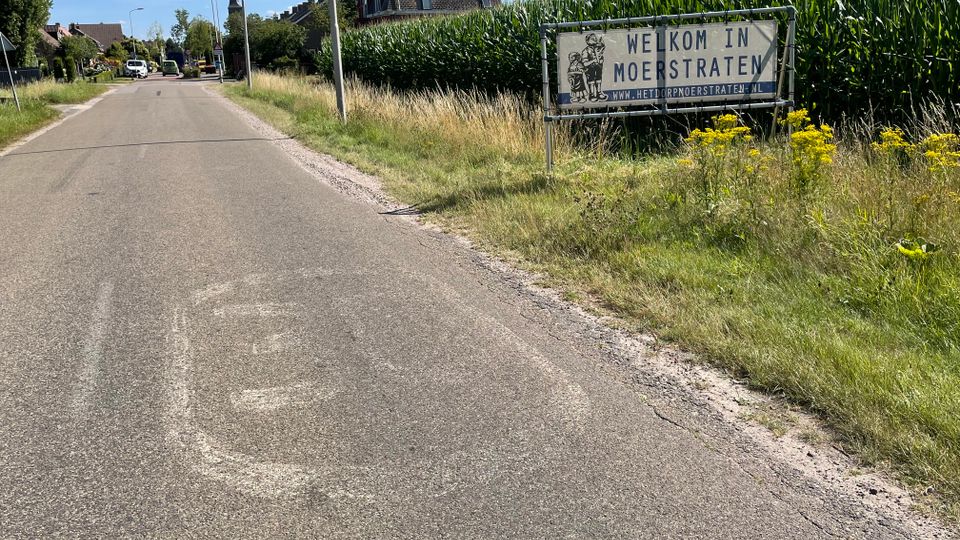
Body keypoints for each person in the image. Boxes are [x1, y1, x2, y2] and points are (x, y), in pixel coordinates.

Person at [582, 33, 607, 102]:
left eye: (595, 38)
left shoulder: (598, 49)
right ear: (588, 41)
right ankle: (592, 94)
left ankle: (599, 93)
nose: (595, 39)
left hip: (598, 67)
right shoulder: (586, 51)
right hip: (590, 68)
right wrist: (593, 60)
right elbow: (585, 63)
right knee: (591, 81)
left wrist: (600, 60)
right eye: (592, 38)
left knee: (599, 79)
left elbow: (602, 51)